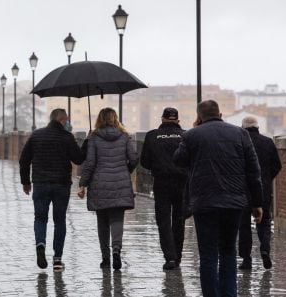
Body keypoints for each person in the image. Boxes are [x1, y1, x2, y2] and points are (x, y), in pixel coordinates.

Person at [173, 100, 263, 297]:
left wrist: (193, 133)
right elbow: (253, 171)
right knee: (228, 251)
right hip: (234, 202)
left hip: (204, 202)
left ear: (199, 116)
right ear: (220, 114)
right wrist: (257, 203)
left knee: (208, 254)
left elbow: (178, 160)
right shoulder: (241, 134)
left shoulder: (192, 135)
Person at [19, 108, 87, 271]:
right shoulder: (67, 137)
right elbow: (78, 159)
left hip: (41, 183)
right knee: (60, 220)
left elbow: (24, 160)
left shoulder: (36, 135)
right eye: (67, 120)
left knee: (40, 218)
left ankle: (40, 245)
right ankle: (57, 260)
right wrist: (87, 143)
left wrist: (25, 182)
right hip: (61, 185)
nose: (68, 123)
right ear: (62, 120)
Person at [77, 108, 138, 270]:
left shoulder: (94, 138)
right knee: (117, 219)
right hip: (120, 183)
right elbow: (133, 159)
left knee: (102, 222)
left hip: (99, 184)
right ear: (115, 118)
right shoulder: (124, 136)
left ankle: (105, 258)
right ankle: (116, 251)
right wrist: (126, 171)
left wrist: (82, 184)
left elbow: (89, 164)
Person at [140, 107, 187, 270]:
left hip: (161, 182)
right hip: (182, 182)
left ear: (162, 119)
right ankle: (178, 255)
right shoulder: (185, 135)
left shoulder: (152, 135)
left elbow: (144, 161)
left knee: (164, 220)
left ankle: (170, 258)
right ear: (178, 120)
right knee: (179, 220)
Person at [238, 116, 282, 270]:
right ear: (257, 127)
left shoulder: (239, 142)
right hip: (263, 188)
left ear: (243, 127)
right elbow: (277, 165)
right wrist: (267, 179)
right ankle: (264, 249)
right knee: (264, 222)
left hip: (242, 189)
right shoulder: (268, 142)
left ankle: (247, 259)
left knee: (243, 225)